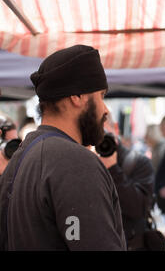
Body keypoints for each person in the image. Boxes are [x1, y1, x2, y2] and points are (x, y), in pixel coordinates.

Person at [0, 45, 126, 250]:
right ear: (77, 96)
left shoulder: (21, 157)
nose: (105, 109)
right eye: (101, 95)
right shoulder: (75, 162)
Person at [98, 116, 156, 251]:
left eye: (104, 131)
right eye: (94, 133)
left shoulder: (139, 163)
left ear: (116, 129)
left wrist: (112, 169)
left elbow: (139, 208)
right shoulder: (85, 162)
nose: (100, 140)